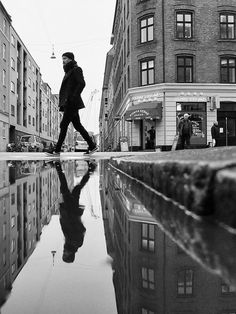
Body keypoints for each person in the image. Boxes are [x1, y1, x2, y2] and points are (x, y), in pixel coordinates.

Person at [48, 52, 97, 156]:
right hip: (69, 102)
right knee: (77, 126)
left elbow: (82, 83)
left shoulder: (76, 69)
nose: (63, 60)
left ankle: (57, 150)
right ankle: (92, 146)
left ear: (70, 59)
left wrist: (73, 97)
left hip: (71, 103)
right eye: (62, 58)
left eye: (65, 58)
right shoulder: (68, 71)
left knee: (64, 125)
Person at [54, 160, 97, 263]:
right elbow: (82, 229)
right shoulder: (75, 243)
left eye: (63, 254)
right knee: (66, 188)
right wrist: (74, 221)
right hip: (71, 211)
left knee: (76, 189)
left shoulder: (70, 244)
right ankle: (58, 166)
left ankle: (91, 169)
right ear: (70, 255)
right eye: (65, 255)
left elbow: (66, 227)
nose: (64, 252)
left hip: (69, 211)